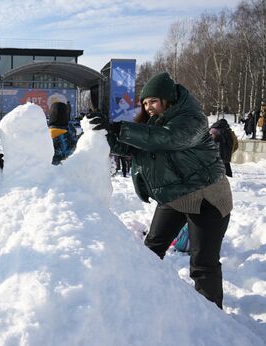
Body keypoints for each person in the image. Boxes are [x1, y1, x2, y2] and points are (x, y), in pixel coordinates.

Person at [93, 72, 232, 309]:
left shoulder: (192, 119)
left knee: (203, 263)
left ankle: (212, 319)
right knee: (150, 252)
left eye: (153, 101)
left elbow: (169, 139)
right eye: (145, 103)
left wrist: (122, 128)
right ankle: (140, 302)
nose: (148, 108)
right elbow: (135, 147)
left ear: (168, 100)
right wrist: (105, 133)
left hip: (207, 197)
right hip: (174, 197)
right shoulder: (151, 126)